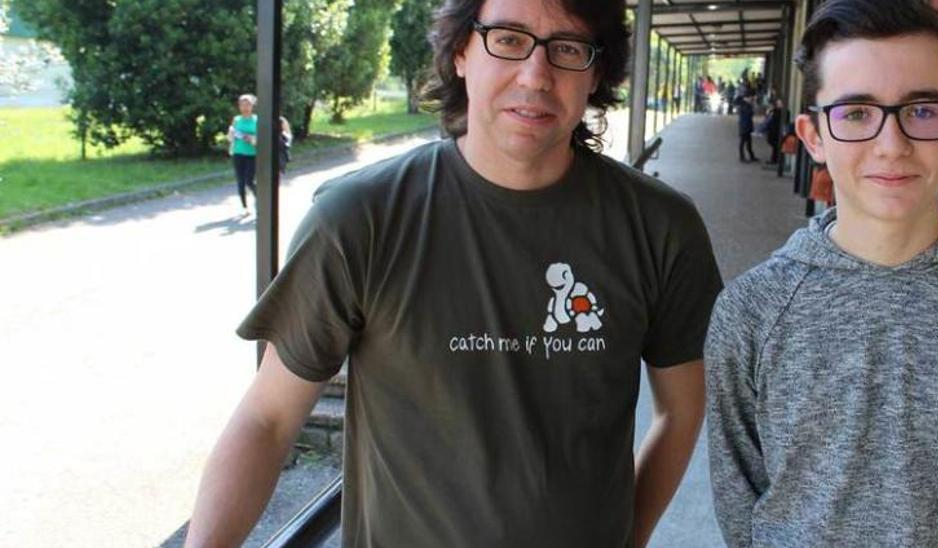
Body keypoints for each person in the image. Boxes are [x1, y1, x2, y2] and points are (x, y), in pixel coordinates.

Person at [185, 0, 722, 546]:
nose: (537, 75)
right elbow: (268, 420)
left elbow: (681, 409)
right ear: (461, 51)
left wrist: (628, 537)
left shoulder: (660, 227)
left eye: (567, 48)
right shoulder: (361, 218)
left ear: (597, 72)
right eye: (509, 39)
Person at [704, 1, 938, 546]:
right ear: (813, 136)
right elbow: (741, 502)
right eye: (857, 113)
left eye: (922, 111)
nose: (892, 145)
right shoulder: (752, 311)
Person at [227, 94, 258, 211]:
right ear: (239, 106)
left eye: (248, 105)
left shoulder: (256, 120)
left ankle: (259, 197)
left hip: (252, 154)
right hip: (238, 153)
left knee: (249, 180)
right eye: (242, 105)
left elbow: (260, 138)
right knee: (240, 181)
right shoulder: (236, 119)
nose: (245, 108)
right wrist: (231, 133)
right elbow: (230, 137)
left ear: (252, 106)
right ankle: (244, 207)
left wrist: (250, 138)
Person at [736, 93, 758, 163]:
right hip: (745, 126)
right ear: (746, 98)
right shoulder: (745, 105)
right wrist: (753, 105)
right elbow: (750, 113)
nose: (751, 99)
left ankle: (750, 156)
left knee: (748, 142)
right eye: (750, 98)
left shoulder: (745, 104)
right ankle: (743, 157)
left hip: (745, 125)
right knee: (743, 142)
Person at [762, 97, 784, 166]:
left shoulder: (781, 112)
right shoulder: (774, 110)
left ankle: (775, 159)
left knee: (776, 146)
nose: (779, 105)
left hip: (777, 131)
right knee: (774, 145)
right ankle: (774, 159)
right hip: (773, 130)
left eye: (780, 103)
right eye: (778, 103)